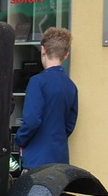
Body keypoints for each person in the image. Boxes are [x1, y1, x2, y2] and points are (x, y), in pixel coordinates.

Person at [13, 27, 78, 168]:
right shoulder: (71, 85)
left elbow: (31, 120)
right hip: (60, 157)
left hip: (36, 158)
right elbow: (69, 125)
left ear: (43, 50)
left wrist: (19, 139)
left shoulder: (37, 81)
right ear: (66, 55)